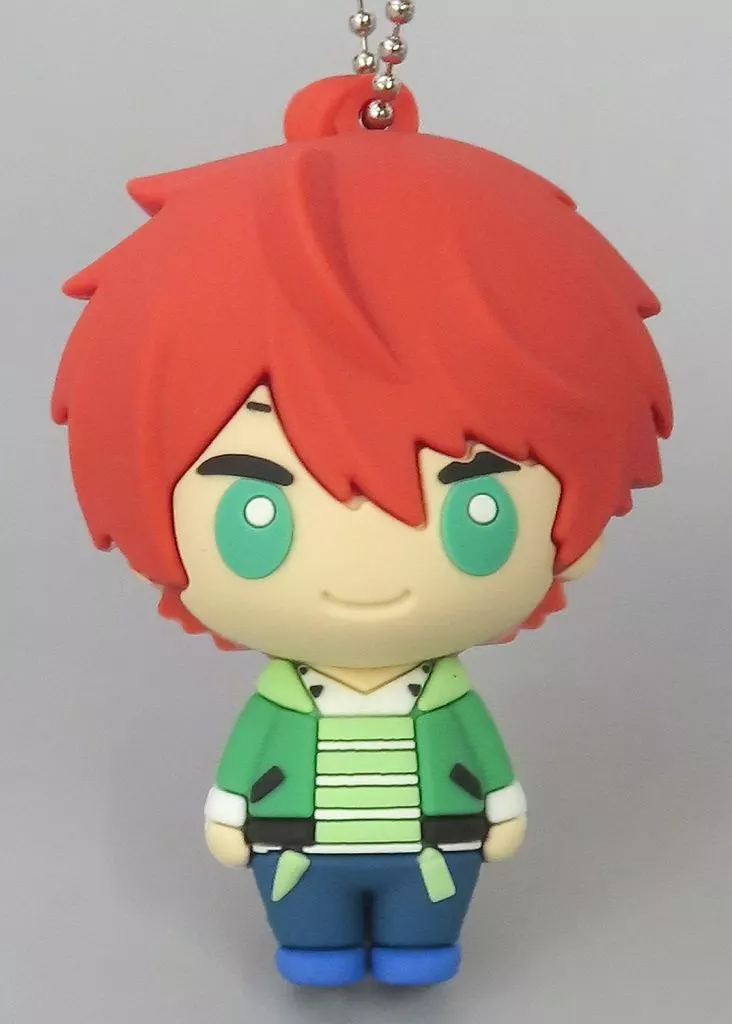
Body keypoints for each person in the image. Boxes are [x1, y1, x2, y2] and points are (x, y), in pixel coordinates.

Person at [52, 76, 672, 987]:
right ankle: (317, 948)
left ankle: (420, 946)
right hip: (298, 850)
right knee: (312, 934)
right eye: (258, 514)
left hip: (434, 852)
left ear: (582, 531)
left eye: (477, 511)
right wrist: (230, 809)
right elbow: (250, 760)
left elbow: (480, 757)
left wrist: (500, 804)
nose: (366, 568)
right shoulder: (289, 703)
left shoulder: (442, 700)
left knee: (426, 926)